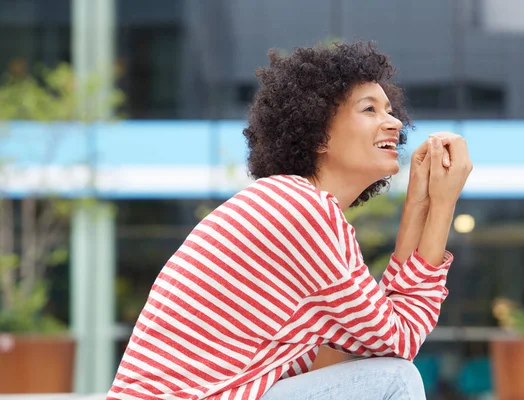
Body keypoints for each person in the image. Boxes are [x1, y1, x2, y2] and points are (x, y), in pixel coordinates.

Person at [107, 41, 472, 400]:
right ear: (319, 134)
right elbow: (398, 341)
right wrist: (441, 206)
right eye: (369, 110)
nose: (393, 122)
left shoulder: (287, 202)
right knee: (396, 379)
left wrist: (418, 206)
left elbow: (372, 345)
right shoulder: (302, 213)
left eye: (390, 110)